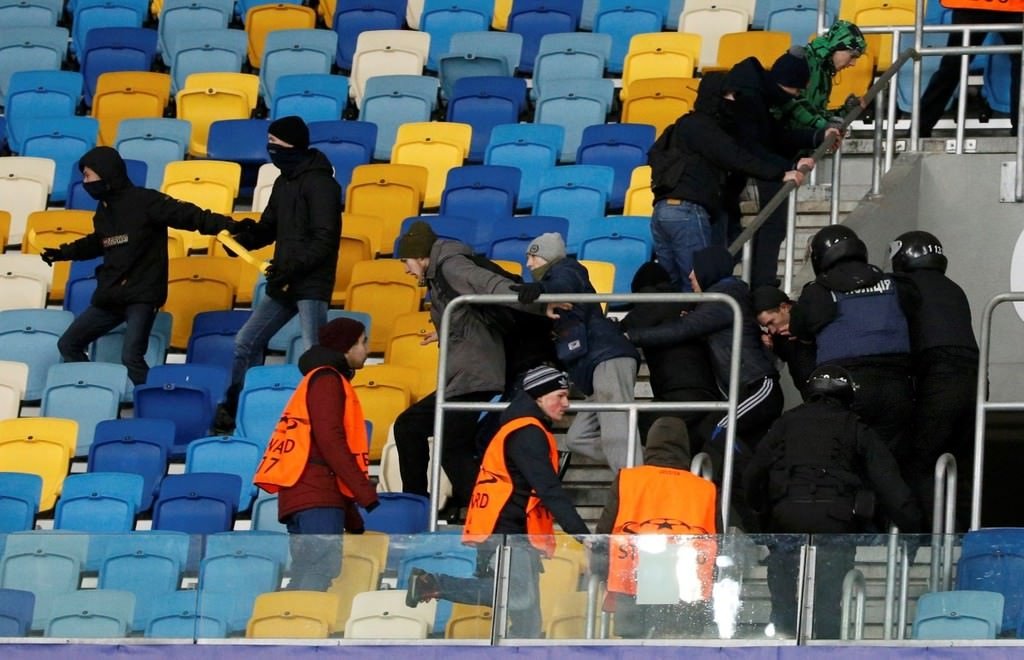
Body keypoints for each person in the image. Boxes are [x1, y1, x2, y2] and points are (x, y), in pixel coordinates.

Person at [404, 366, 590, 639]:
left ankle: (432, 584)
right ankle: (431, 583)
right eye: (560, 396)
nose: (566, 403)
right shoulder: (528, 432)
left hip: (501, 529)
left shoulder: (516, 428)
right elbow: (549, 489)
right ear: (539, 396)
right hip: (508, 533)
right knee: (518, 598)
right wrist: (584, 535)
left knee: (525, 620)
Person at [40, 146, 248, 386]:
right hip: (111, 294)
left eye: (88, 175)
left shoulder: (146, 200)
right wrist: (63, 252)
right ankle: (95, 387)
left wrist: (228, 225)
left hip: (141, 294)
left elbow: (188, 215)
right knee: (68, 344)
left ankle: (154, 398)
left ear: (105, 174)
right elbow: (100, 241)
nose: (85, 182)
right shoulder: (105, 210)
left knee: (132, 358)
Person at [744, 365, 923, 639]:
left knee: (783, 601)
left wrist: (761, 517)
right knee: (828, 604)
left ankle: (783, 642)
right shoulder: (855, 426)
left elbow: (753, 474)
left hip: (786, 518)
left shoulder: (785, 423)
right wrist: (913, 527)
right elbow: (888, 481)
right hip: (835, 521)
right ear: (847, 393)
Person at [216, 115, 342, 431]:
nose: (269, 148)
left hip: (310, 283)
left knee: (314, 354)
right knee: (246, 342)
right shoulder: (283, 182)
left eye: (274, 142)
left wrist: (290, 268)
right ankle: (236, 408)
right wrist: (242, 242)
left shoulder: (322, 184)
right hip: (284, 280)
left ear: (292, 144)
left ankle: (320, 419)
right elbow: (269, 227)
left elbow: (325, 240)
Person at [392, 221, 524, 518]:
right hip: (465, 375)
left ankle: (490, 515)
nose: (406, 269)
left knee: (450, 446)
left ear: (421, 256)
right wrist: (443, 331)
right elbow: (466, 316)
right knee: (411, 428)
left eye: (406, 261)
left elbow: (487, 284)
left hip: (474, 375)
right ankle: (419, 503)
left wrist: (535, 302)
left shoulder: (451, 265)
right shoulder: (438, 274)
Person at [647, 70, 811, 291]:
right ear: (715, 95)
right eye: (729, 95)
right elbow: (735, 156)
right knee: (700, 284)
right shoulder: (703, 127)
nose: (734, 101)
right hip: (687, 212)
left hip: (662, 212)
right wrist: (780, 174)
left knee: (674, 288)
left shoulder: (681, 127)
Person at [252, 317, 379, 591]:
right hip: (315, 494)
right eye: (363, 342)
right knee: (321, 568)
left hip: (305, 493)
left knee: (306, 570)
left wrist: (353, 519)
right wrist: (364, 491)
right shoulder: (328, 380)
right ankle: (297, 620)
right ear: (346, 347)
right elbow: (330, 441)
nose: (367, 350)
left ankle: (287, 617)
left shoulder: (318, 379)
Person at [624, 246, 783, 452]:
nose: (690, 276)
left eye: (695, 270)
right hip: (743, 390)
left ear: (708, 270)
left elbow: (684, 329)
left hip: (758, 386)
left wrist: (631, 336)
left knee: (716, 430)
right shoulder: (718, 300)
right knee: (733, 441)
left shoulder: (724, 300)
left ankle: (742, 471)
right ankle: (747, 472)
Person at [513, 233, 642, 472]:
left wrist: (542, 288)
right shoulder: (554, 291)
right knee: (577, 438)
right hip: (597, 366)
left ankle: (633, 480)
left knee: (616, 427)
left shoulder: (566, 269)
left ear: (548, 257)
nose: (528, 264)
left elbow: (564, 284)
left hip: (607, 357)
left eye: (532, 257)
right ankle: (644, 465)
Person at [718, 48, 841, 287]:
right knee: (742, 232)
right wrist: (787, 167)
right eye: (796, 90)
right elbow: (753, 147)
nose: (796, 96)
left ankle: (757, 284)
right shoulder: (750, 99)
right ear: (786, 83)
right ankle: (755, 285)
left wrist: (817, 136)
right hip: (719, 181)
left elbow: (772, 136)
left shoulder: (758, 94)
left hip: (730, 181)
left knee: (756, 228)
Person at [789, 225, 914, 457]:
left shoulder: (819, 291)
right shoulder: (894, 284)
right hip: (897, 386)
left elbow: (798, 331)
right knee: (889, 461)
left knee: (843, 459)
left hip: (846, 387)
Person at [595, 417, 718, 639]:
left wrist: (601, 570)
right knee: (675, 644)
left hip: (632, 573)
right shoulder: (704, 488)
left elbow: (604, 531)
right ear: (685, 445)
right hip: (684, 579)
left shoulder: (627, 479)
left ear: (650, 443)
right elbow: (718, 540)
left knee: (632, 646)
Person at [889, 231, 979, 528]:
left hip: (939, 378)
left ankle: (925, 539)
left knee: (920, 461)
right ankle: (961, 535)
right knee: (960, 465)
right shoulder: (954, 289)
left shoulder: (905, 286)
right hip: (975, 380)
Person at [620, 262, 722, 440]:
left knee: (628, 428)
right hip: (709, 393)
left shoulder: (646, 307)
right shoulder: (688, 304)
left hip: (678, 395)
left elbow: (615, 335)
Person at [918, 6, 1022, 138]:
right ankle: (919, 129)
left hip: (976, 6)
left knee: (952, 67)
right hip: (1009, 7)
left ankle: (918, 130)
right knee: (952, 67)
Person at [776, 20, 868, 132]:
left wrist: (846, 111)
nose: (853, 63)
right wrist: (825, 126)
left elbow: (815, 115)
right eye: (852, 56)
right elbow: (792, 107)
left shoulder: (824, 70)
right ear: (836, 47)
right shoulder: (800, 62)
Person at [751, 285, 817, 397]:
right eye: (766, 326)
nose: (772, 330)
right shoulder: (777, 335)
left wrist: (804, 333)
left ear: (784, 307)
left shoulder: (814, 315)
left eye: (771, 322)